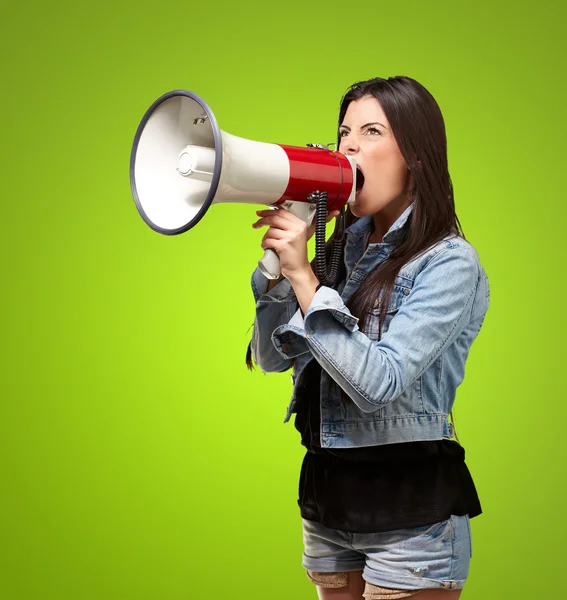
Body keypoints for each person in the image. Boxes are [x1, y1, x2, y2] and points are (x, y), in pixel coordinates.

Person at [246, 76, 490, 600]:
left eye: (371, 131)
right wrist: (276, 278)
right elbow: (271, 360)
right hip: (328, 500)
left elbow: (380, 382)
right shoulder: (339, 249)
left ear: (416, 157)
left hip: (410, 514)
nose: (348, 145)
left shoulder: (448, 263)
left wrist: (306, 279)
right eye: (343, 132)